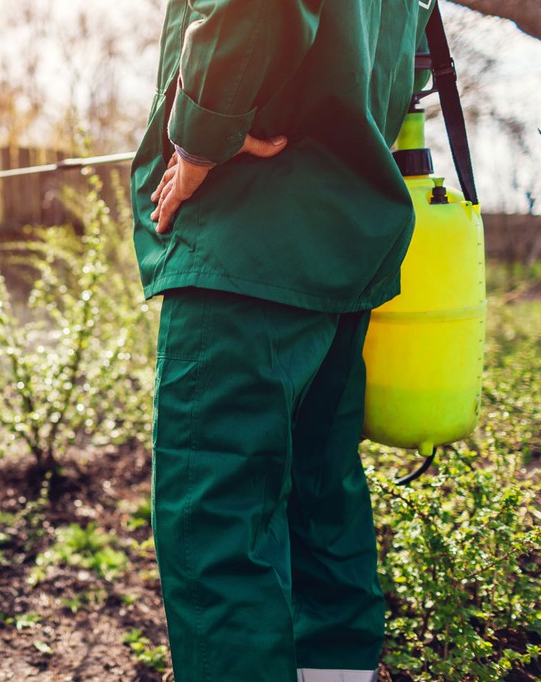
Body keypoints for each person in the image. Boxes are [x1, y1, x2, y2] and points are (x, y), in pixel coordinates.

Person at [129, 1, 437, 680]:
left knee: (216, 517)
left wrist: (203, 137)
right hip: (344, 243)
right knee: (319, 495)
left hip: (248, 240)